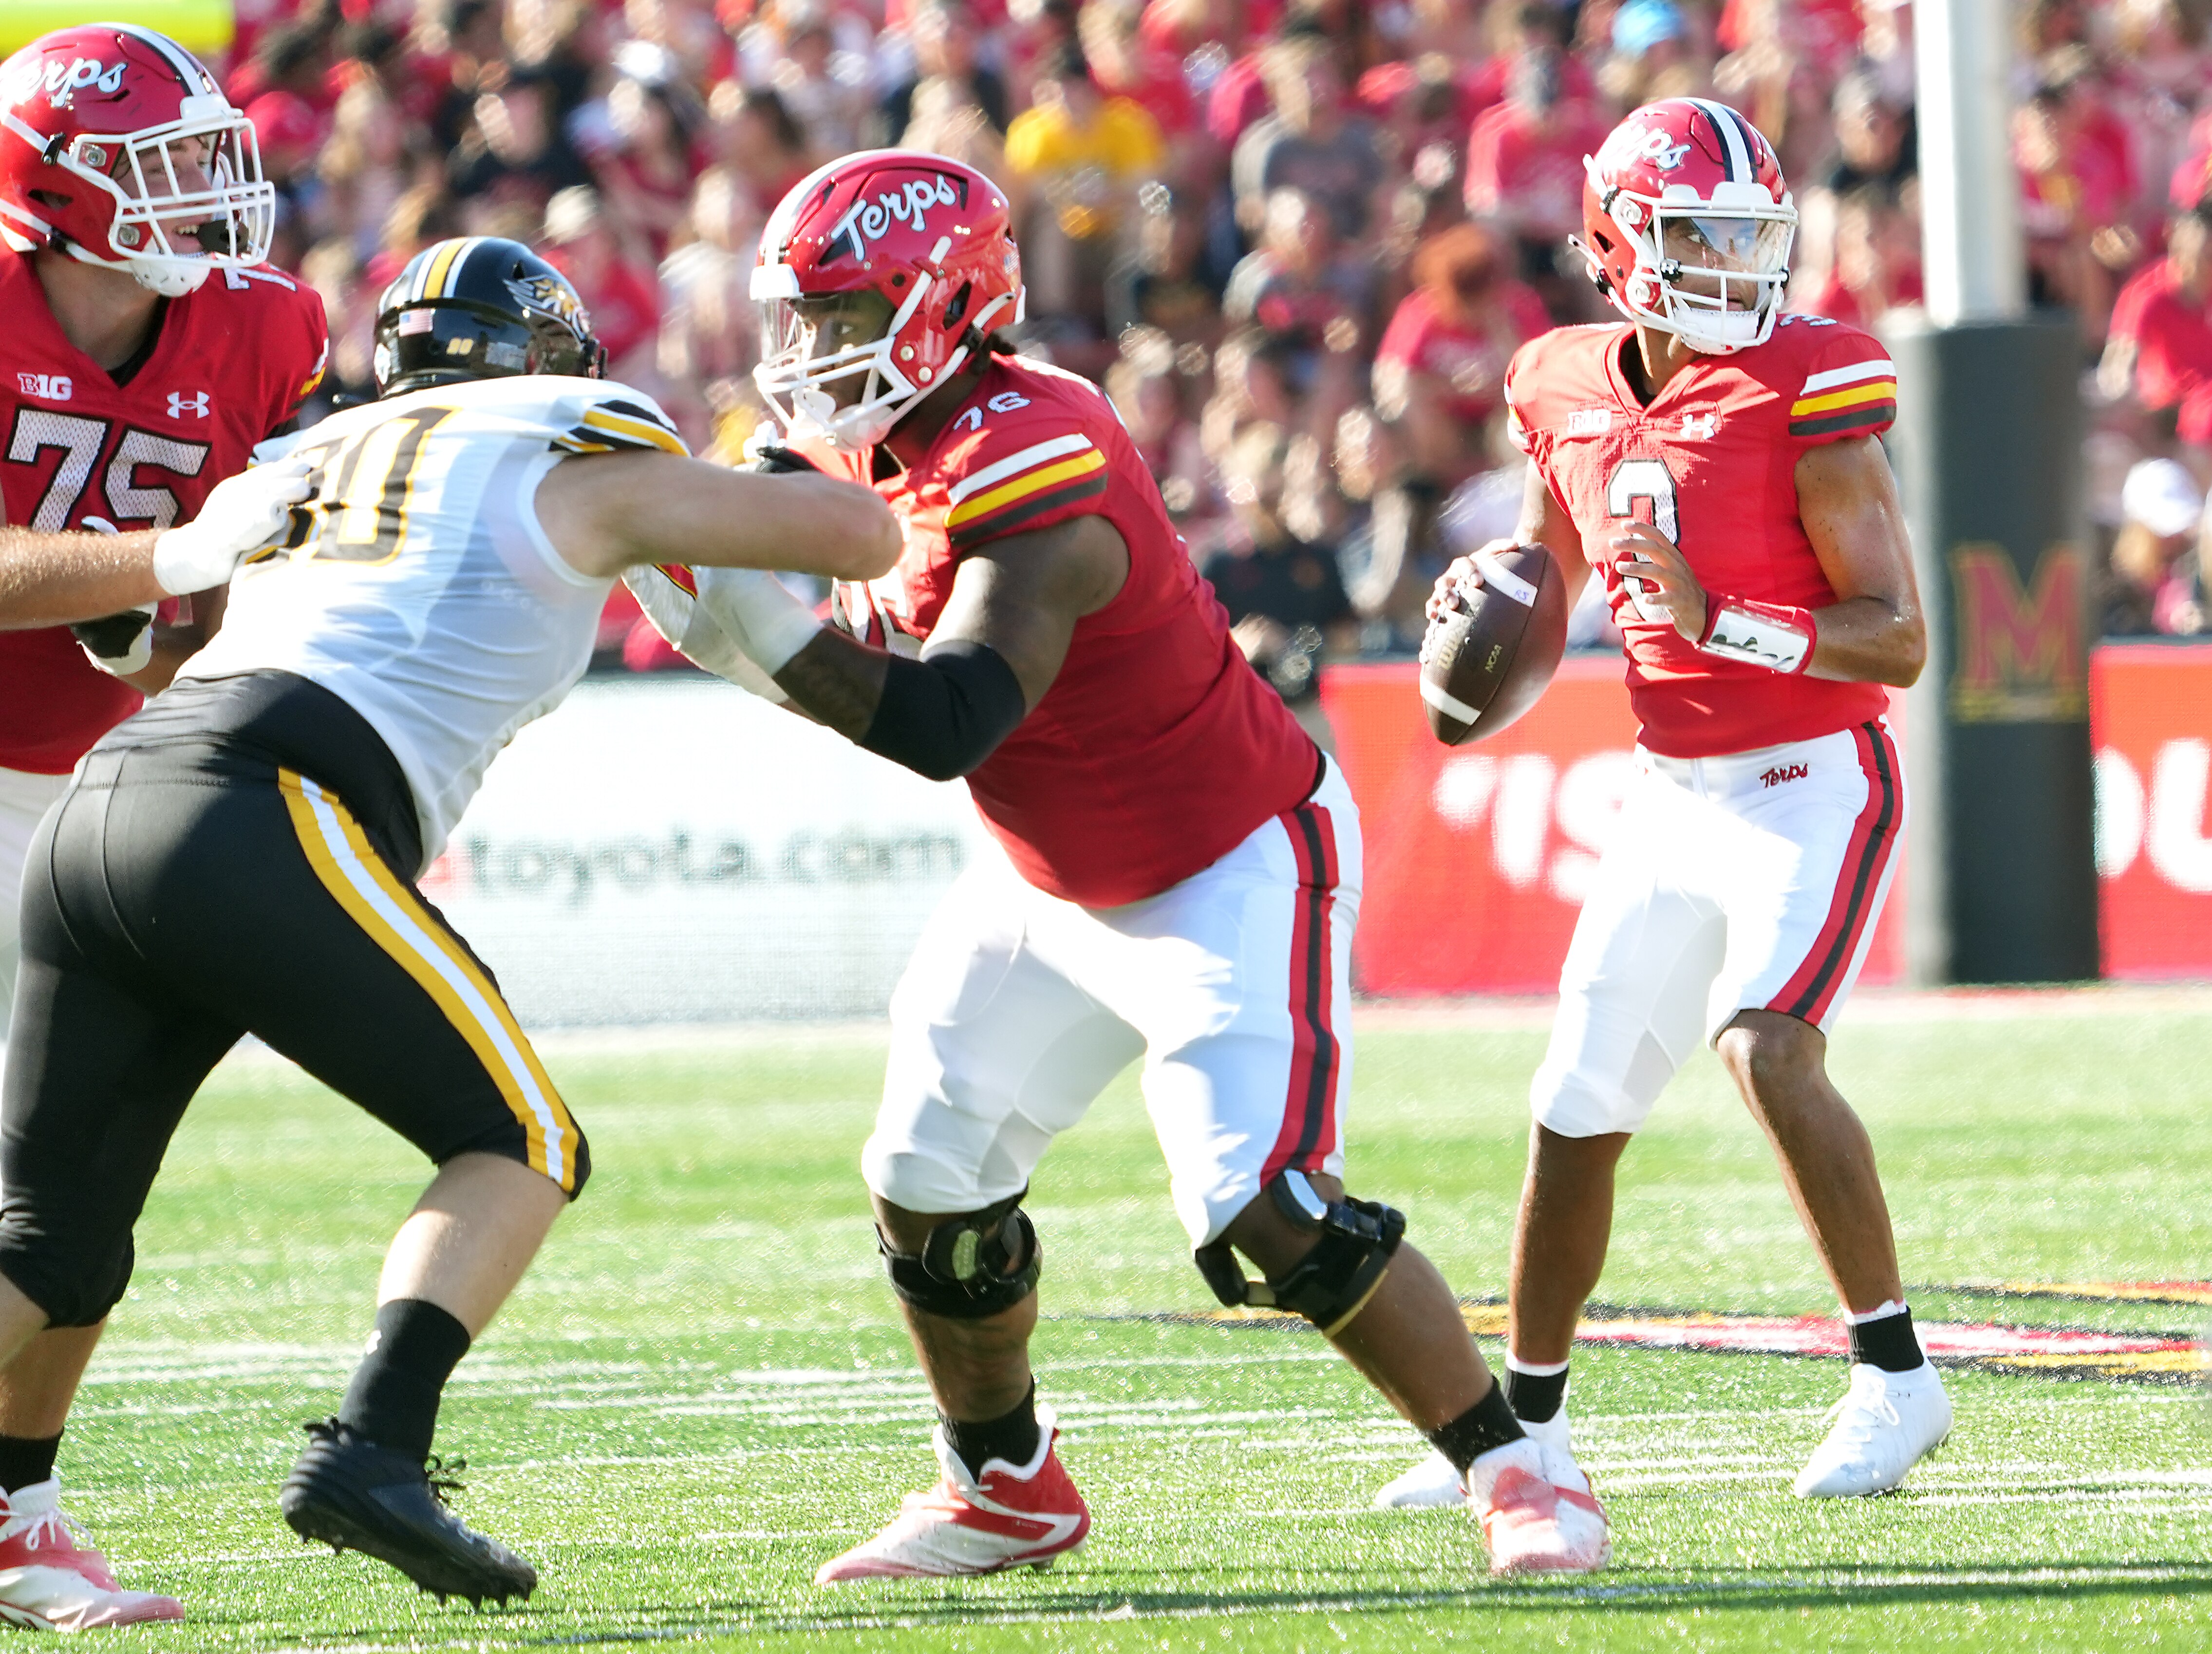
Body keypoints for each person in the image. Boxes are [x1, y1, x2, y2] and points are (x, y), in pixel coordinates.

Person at [634, 149, 1610, 1581]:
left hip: (1223, 860)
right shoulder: (882, 436)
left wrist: (749, 637)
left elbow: (947, 717)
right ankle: (1004, 1482)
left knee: (1264, 1206)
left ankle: (1523, 1469)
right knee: (924, 1169)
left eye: (844, 321)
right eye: (808, 321)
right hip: (1048, 875)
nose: (813, 357)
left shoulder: (1044, 458)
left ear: (944, 308)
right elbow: (758, 499)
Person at [0, 236, 896, 1622]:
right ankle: (376, 1446)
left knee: (47, 1241)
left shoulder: (324, 447)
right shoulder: (565, 447)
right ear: (550, 362)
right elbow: (861, 541)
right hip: (261, 803)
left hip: (104, 804)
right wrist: (801, 466)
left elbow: (180, 637)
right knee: (521, 1139)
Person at [1373, 100, 1950, 1511]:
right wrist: (1490, 607)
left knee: (1763, 1047)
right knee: (1572, 1105)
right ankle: (1521, 1430)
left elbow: (1897, 637)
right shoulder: (1557, 380)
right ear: (1620, 240)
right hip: (1670, 790)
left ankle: (1895, 1376)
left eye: (1752, 240)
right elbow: (1559, 562)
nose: (1736, 269)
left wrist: (1725, 620)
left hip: (1815, 777)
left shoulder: (1805, 387)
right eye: (1698, 238)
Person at [0, 30, 332, 1627]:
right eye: (159, 166)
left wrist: (182, 622)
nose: (206, 194)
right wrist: (154, 562)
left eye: (208, 158)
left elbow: (262, 565)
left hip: (96, 790)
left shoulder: (262, 322)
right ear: (53, 190)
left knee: (78, 1177)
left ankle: (20, 1514)